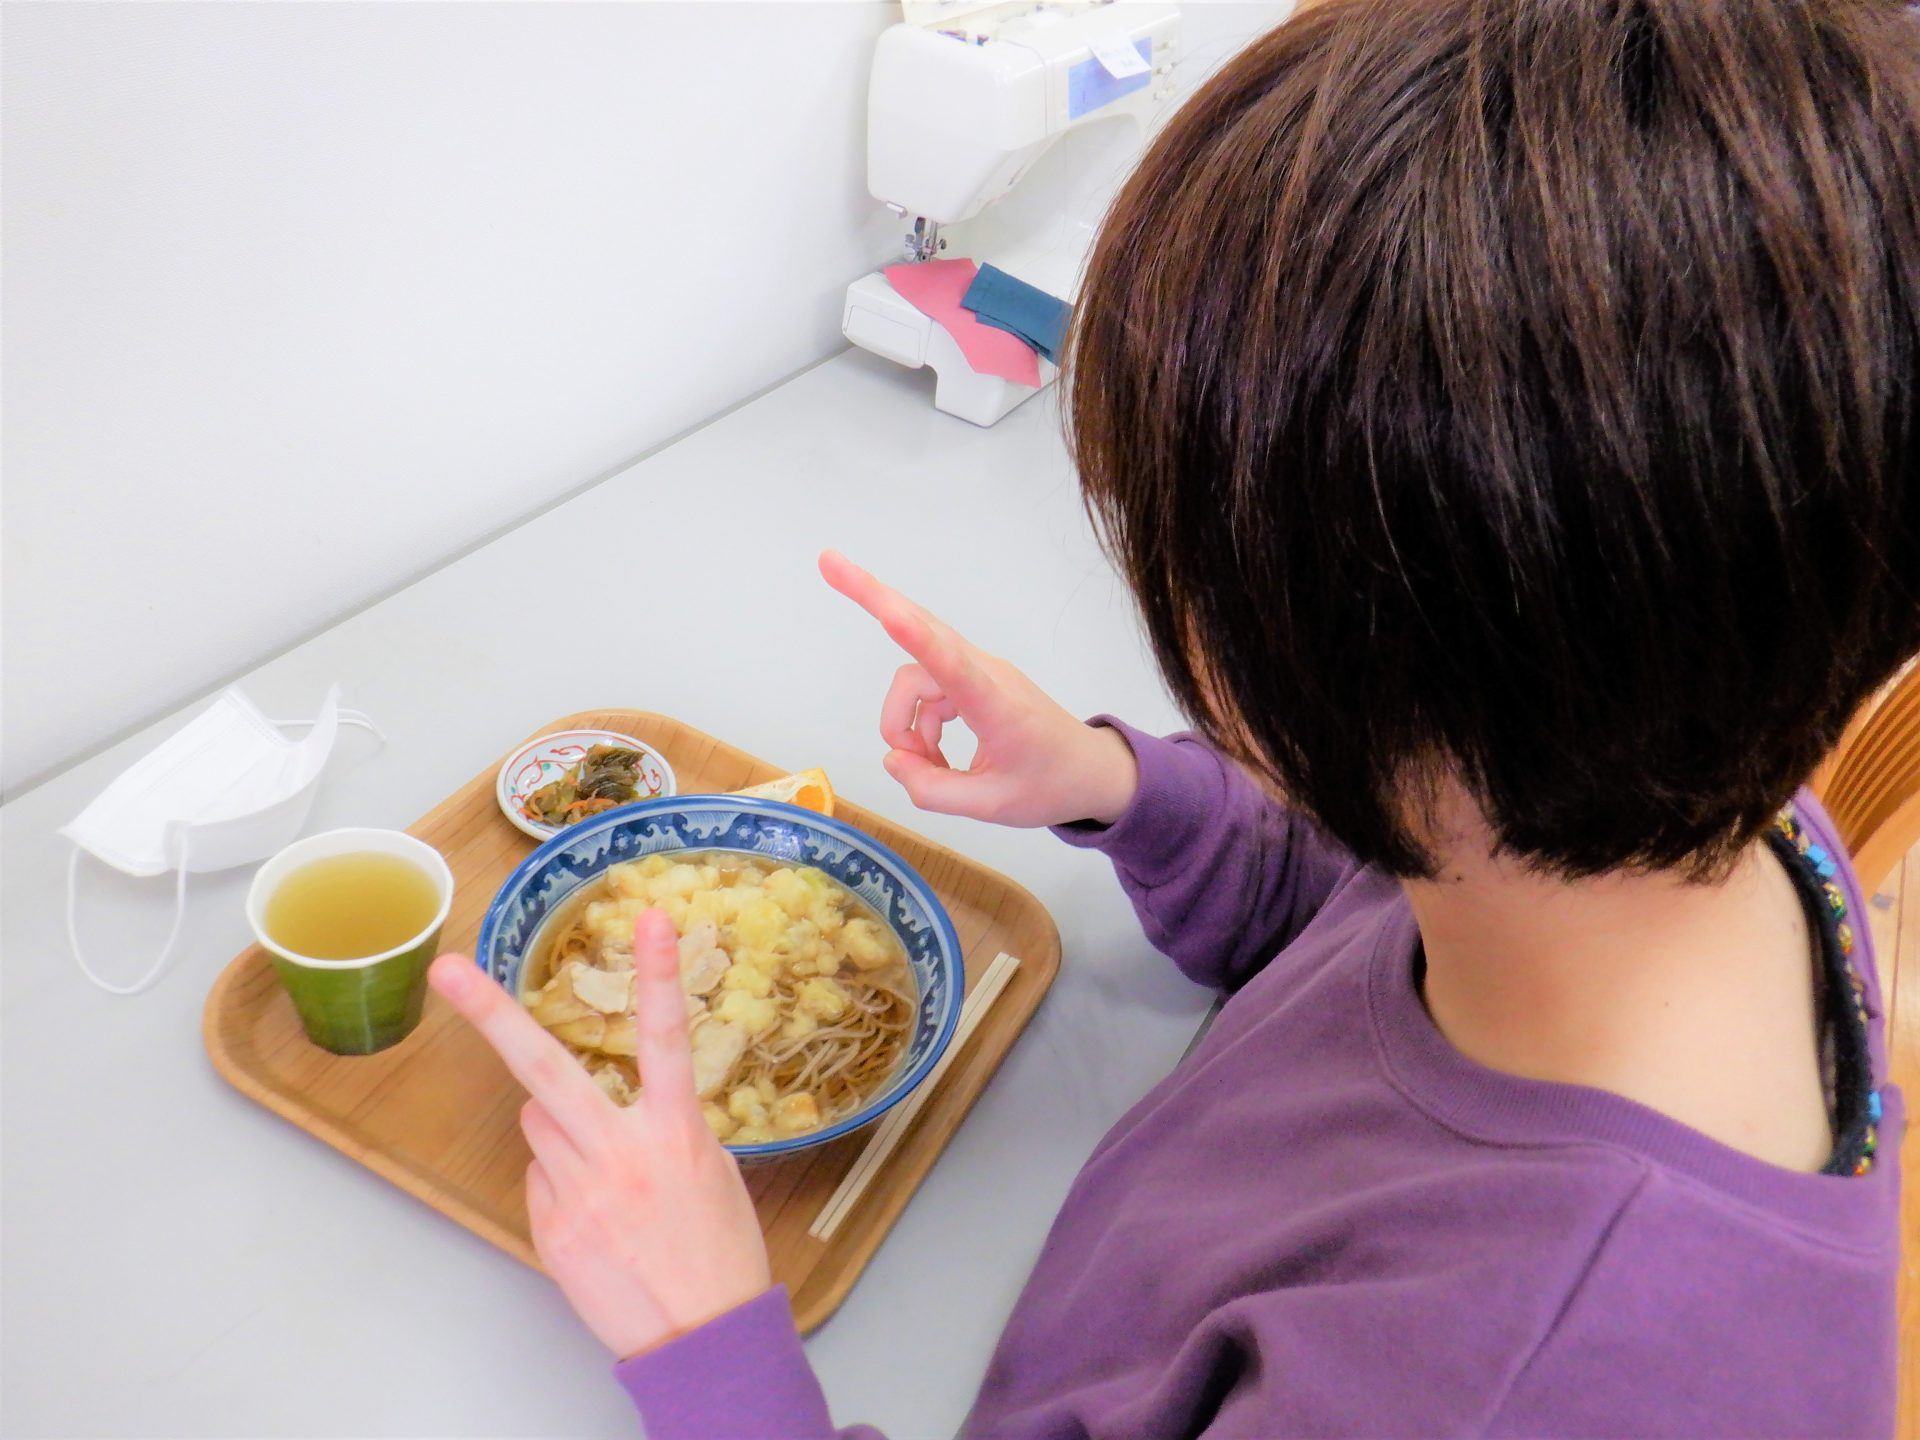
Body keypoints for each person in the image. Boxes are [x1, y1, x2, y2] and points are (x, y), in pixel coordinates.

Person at [426, 0, 1918, 1432]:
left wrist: (705, 1348)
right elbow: (1355, 893)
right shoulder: (1683, 793)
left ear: (1359, 663)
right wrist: (1119, 789)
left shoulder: (1516, 1385)